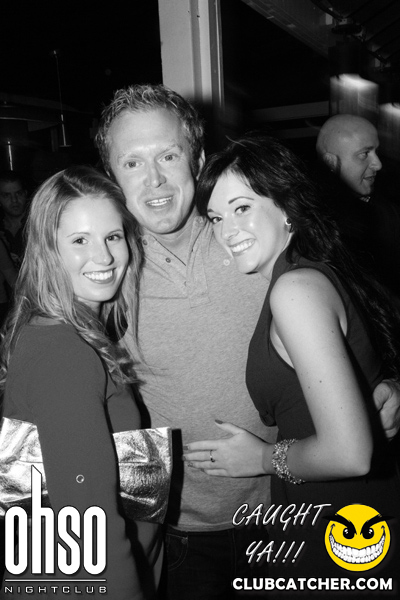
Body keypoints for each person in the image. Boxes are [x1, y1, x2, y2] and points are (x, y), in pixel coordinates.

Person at [95, 84, 400, 599]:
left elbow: (366, 313)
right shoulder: (106, 270)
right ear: (112, 176)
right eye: (132, 163)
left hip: (288, 511)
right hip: (183, 530)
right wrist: (139, 517)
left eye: (168, 155)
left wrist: (390, 380)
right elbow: (89, 396)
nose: (155, 180)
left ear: (198, 159)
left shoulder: (249, 236)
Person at [187, 132, 400, 584]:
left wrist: (263, 458)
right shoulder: (311, 270)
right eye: (216, 217)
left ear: (286, 206)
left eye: (241, 208)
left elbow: (350, 454)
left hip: (340, 524)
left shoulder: (294, 290)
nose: (226, 232)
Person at [0, 166, 163, 599]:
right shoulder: (65, 352)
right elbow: (91, 531)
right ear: (47, 251)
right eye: (79, 241)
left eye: (113, 236)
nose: (104, 257)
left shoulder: (59, 330)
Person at [315, 114, 400, 297]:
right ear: (331, 162)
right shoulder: (320, 227)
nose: (378, 164)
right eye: (364, 154)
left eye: (376, 151)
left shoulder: (387, 209)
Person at [0, 171, 29, 269]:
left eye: (18, 193)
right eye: (6, 195)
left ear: (25, 194)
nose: (14, 200)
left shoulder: (39, 225)